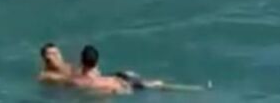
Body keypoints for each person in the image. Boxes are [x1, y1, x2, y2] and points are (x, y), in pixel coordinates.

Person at [71, 45, 206, 95]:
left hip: (118, 81)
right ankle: (196, 89)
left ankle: (196, 89)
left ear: (81, 60)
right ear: (97, 61)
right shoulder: (104, 79)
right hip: (119, 79)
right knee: (157, 84)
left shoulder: (76, 81)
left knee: (155, 85)